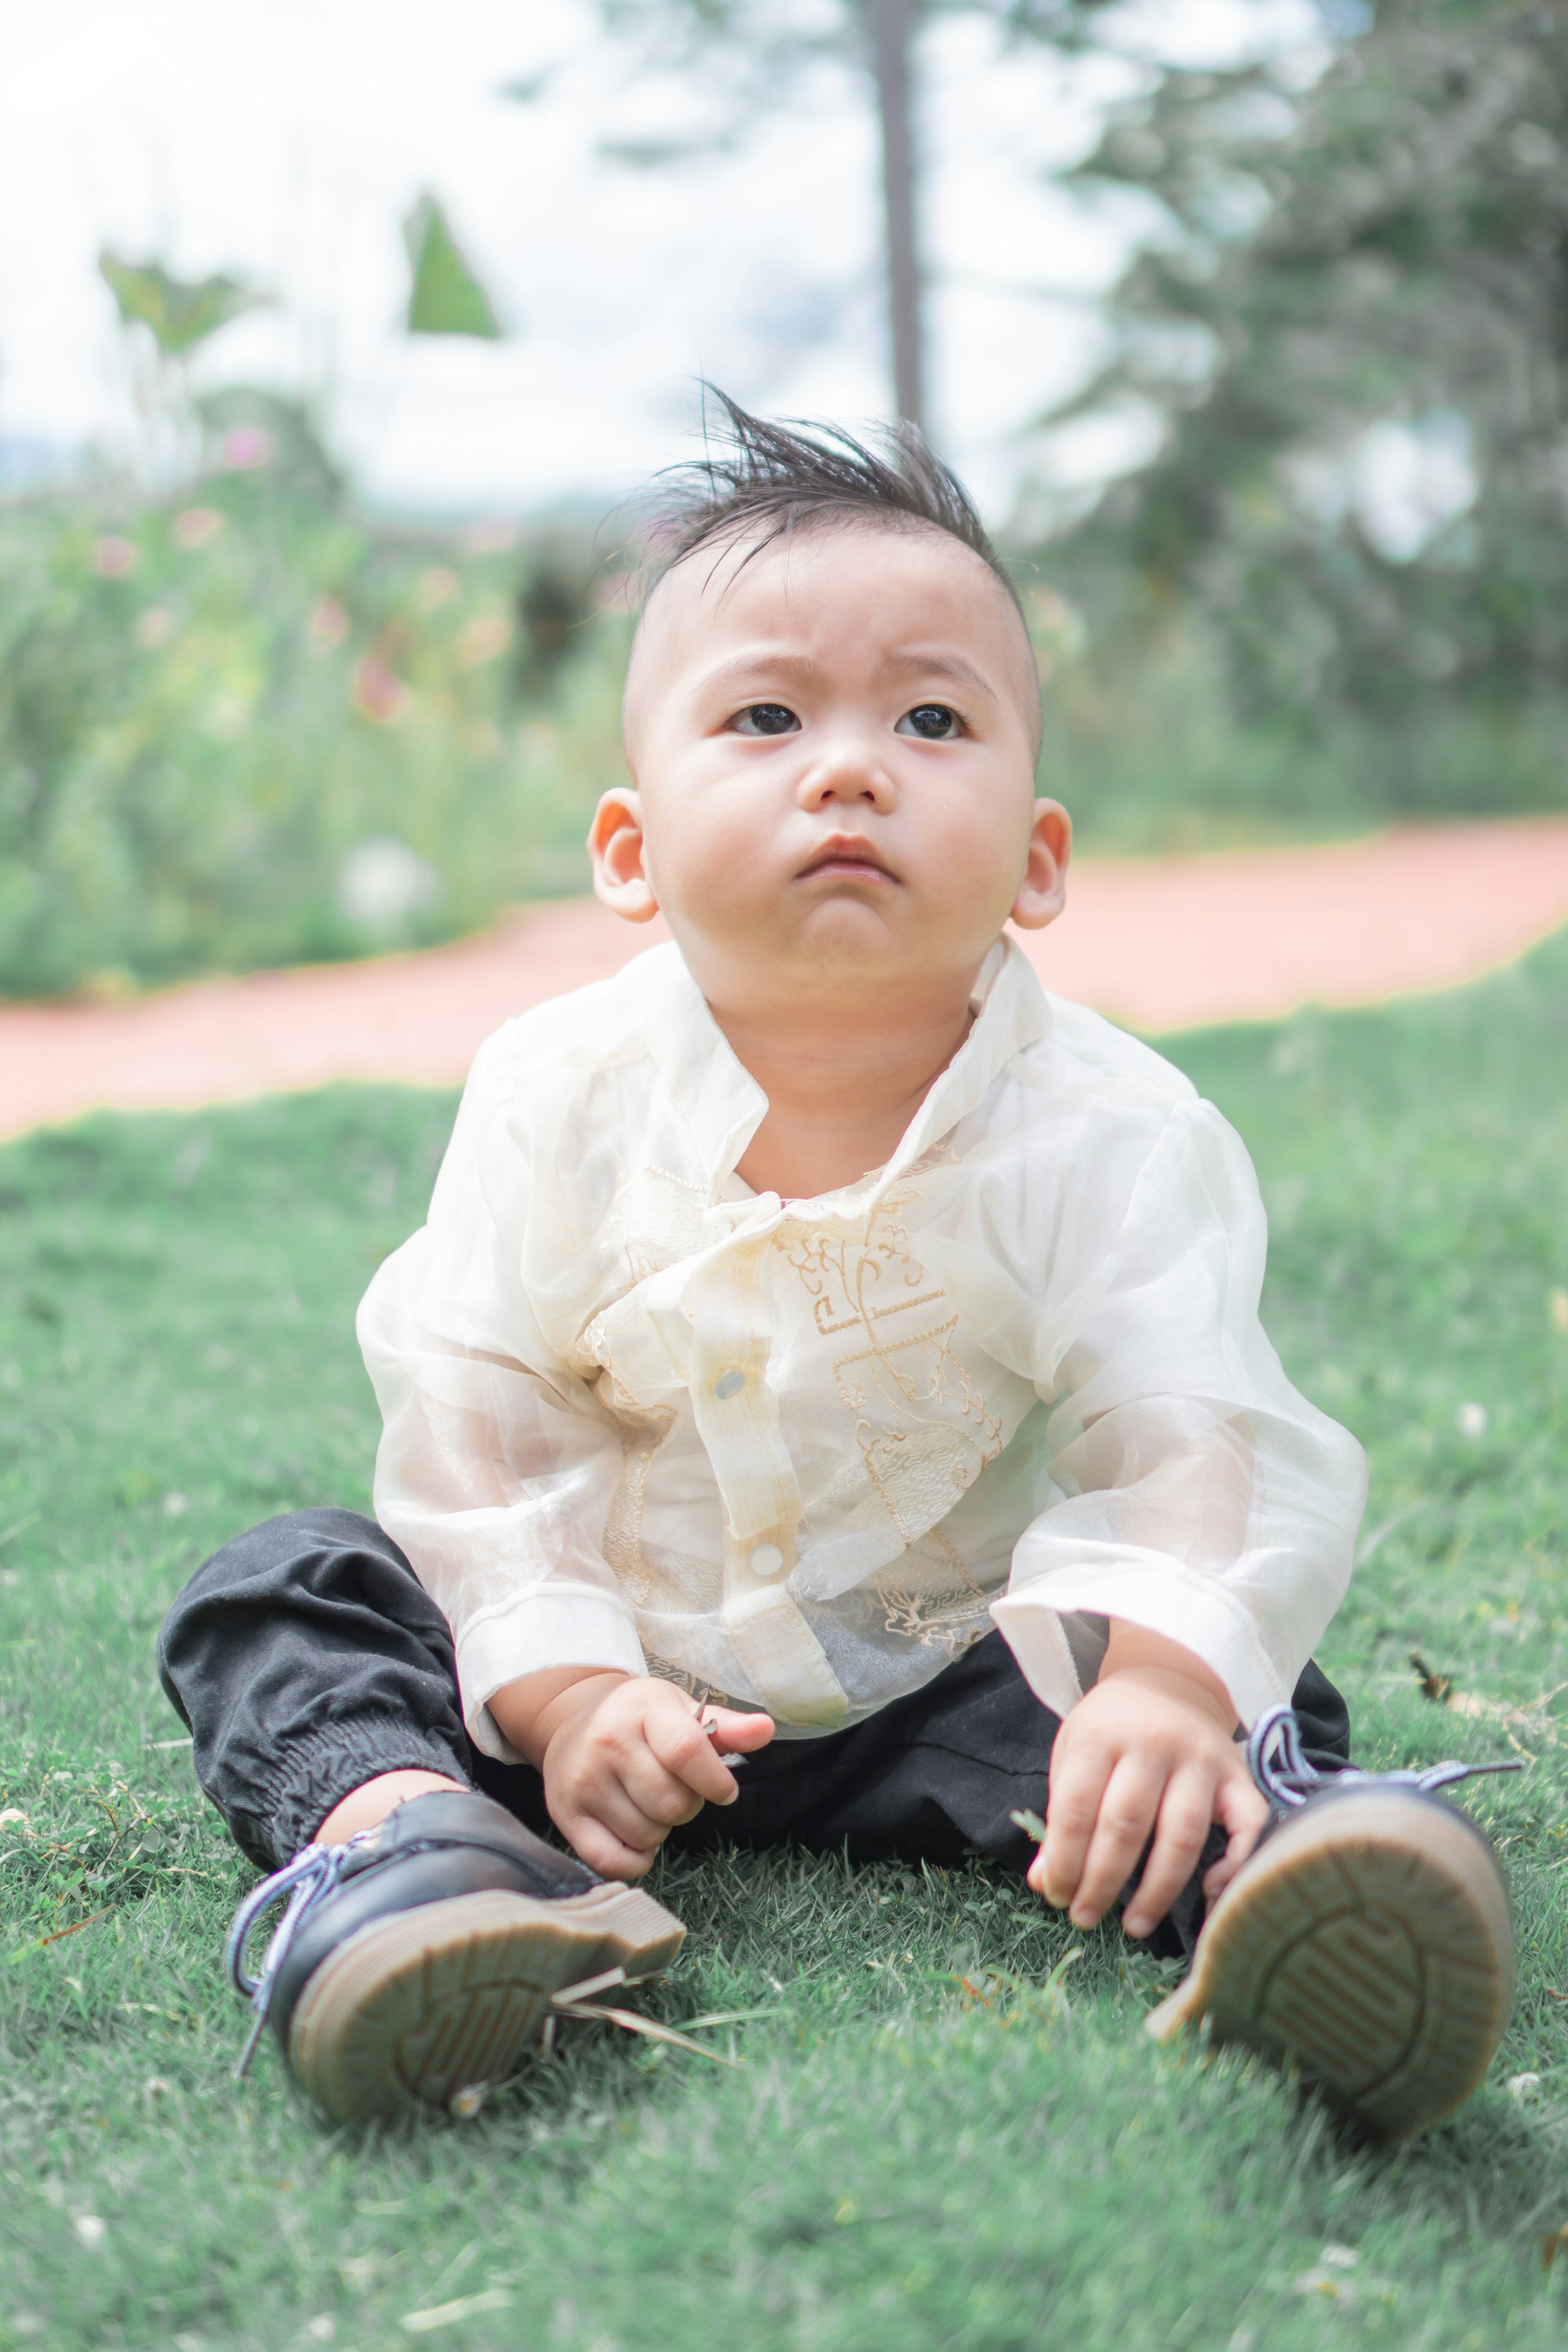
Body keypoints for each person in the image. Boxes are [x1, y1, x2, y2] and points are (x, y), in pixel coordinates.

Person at [159, 394, 1515, 2139]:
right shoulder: (554, 1093)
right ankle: (422, 1857)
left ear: (1038, 864)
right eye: (768, 715)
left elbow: (1183, 1441)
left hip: (926, 1677)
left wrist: (1169, 1682)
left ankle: (1277, 1870)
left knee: (1178, 1676)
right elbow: (475, 1413)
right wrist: (572, 1697)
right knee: (280, 1590)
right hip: (596, 1701)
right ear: (630, 853)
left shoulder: (1105, 1130)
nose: (849, 764)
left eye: (932, 716)